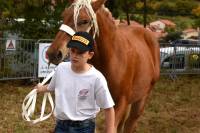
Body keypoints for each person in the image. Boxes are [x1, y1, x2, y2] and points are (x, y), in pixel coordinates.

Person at [35, 31, 115, 133]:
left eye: (80, 52)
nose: (75, 55)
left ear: (90, 55)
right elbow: (52, 86)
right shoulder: (61, 68)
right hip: (61, 126)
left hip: (84, 128)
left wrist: (110, 130)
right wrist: (40, 88)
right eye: (73, 51)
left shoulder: (96, 78)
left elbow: (108, 108)